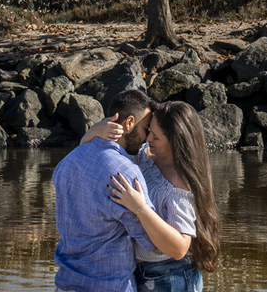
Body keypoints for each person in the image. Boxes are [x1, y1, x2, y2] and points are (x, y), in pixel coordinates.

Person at [87, 100, 221, 292]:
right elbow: (91, 159)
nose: (148, 138)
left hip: (172, 277)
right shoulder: (145, 156)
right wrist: (93, 133)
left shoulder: (179, 185)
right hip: (142, 273)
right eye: (149, 130)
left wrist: (141, 208)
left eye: (156, 137)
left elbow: (179, 248)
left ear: (176, 142)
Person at [53, 89, 158, 292]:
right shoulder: (126, 172)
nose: (146, 138)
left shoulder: (68, 161)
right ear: (129, 123)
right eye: (146, 128)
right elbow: (151, 241)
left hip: (66, 284)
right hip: (108, 285)